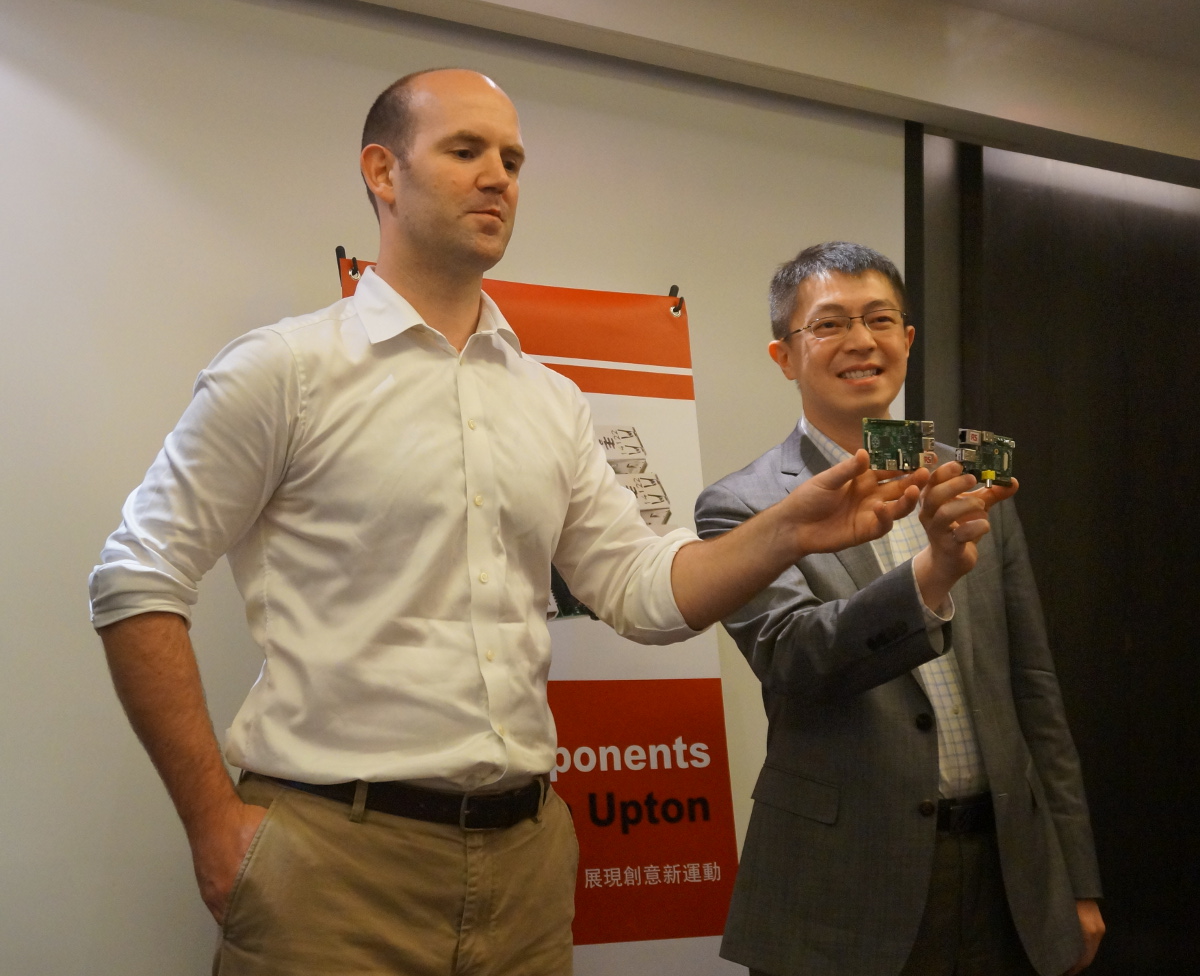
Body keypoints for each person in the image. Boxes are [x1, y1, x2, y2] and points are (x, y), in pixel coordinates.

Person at [89, 76, 925, 975]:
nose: (498, 177)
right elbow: (135, 578)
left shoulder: (551, 400)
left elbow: (641, 592)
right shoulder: (284, 370)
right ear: (383, 171)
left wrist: (787, 529)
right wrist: (213, 822)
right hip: (331, 865)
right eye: (466, 151)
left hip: (526, 864)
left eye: (513, 160)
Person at [695, 241, 1105, 976]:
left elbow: (1034, 687)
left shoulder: (970, 479)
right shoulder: (744, 504)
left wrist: (1076, 877)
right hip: (840, 885)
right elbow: (796, 660)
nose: (861, 341)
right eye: (830, 324)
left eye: (880, 319)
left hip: (1007, 873)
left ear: (908, 340)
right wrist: (930, 575)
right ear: (784, 356)